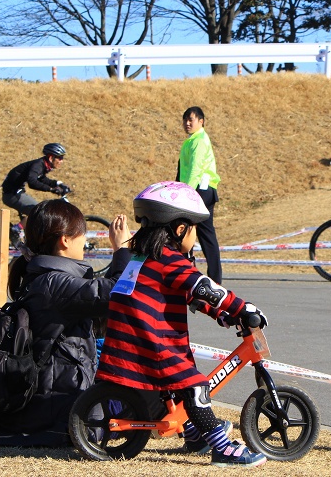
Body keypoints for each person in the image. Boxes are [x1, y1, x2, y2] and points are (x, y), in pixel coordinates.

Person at [0, 199, 133, 447]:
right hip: (58, 406)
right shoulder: (53, 282)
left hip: (55, 392)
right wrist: (122, 251)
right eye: (81, 238)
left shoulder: (45, 275)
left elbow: (98, 297)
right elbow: (116, 293)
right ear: (64, 240)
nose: (85, 245)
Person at [97, 180, 268, 468]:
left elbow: (185, 293)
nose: (196, 237)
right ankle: (222, 448)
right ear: (179, 229)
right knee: (195, 386)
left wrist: (220, 315)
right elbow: (203, 287)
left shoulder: (144, 257)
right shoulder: (170, 259)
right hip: (152, 342)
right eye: (195, 229)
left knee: (176, 386)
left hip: (131, 339)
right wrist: (243, 308)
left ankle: (192, 432)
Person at [176, 106, 223, 283]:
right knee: (198, 233)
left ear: (201, 121)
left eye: (191, 120)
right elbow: (183, 170)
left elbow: (195, 169)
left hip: (201, 190)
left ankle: (206, 277)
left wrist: (185, 193)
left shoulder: (199, 140)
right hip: (197, 190)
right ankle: (199, 274)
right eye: (185, 120)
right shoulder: (191, 140)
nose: (187, 123)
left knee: (190, 230)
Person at [1, 143, 71, 238]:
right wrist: (51, 189)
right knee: (38, 212)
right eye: (60, 158)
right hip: (11, 195)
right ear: (51, 158)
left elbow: (42, 179)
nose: (61, 161)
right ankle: (16, 230)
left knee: (39, 213)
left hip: (17, 192)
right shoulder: (38, 165)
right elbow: (32, 182)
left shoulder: (43, 165)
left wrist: (58, 183)